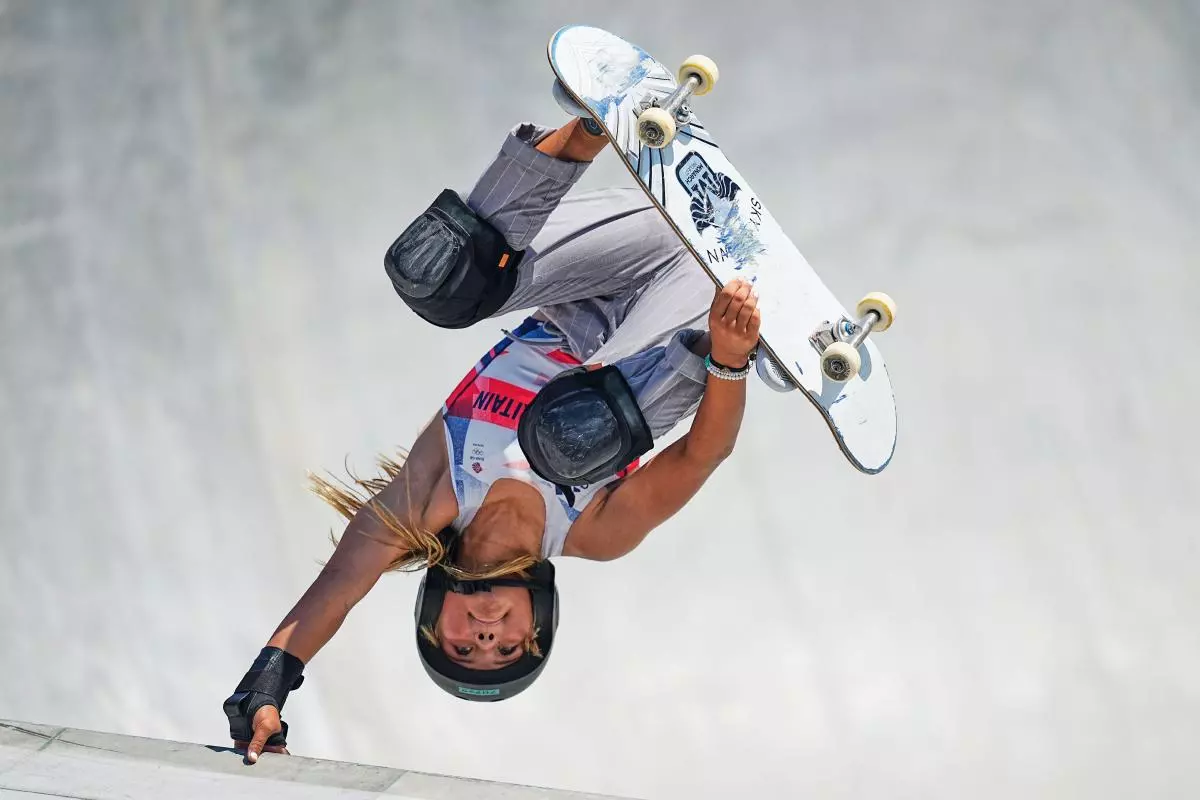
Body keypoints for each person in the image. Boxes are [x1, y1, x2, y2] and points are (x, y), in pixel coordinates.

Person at [224, 117, 762, 763]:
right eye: (507, 647)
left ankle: (585, 131)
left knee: (441, 280)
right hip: (693, 317)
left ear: (433, 621)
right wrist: (731, 361)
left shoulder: (426, 500)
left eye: (464, 646)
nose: (486, 633)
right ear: (539, 622)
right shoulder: (593, 532)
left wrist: (268, 684)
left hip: (618, 258)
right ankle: (758, 337)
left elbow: (340, 584)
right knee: (569, 439)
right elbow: (701, 453)